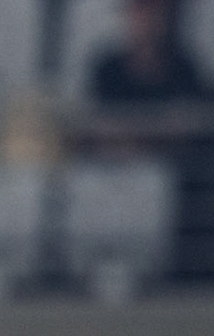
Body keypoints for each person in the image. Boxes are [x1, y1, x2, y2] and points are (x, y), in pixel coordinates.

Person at [88, 0, 214, 279]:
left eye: (153, 12)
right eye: (139, 12)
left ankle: (182, 272)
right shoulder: (107, 68)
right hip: (115, 163)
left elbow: (194, 125)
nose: (146, 22)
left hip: (174, 170)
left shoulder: (184, 67)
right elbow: (96, 124)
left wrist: (148, 138)